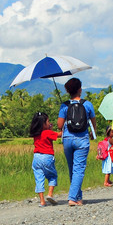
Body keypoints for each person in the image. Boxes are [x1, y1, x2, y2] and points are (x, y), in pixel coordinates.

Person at [57, 77, 97, 206]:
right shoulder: (87, 104)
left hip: (68, 139)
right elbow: (93, 122)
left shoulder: (65, 105)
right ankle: (72, 198)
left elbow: (59, 125)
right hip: (82, 139)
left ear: (68, 91)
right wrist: (93, 132)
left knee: (72, 169)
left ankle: (78, 198)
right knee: (79, 169)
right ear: (80, 89)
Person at [29, 112, 59, 206]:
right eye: (48, 121)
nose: (49, 123)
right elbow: (59, 135)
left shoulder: (35, 134)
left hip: (36, 157)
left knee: (39, 178)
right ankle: (50, 194)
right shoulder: (47, 132)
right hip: (47, 157)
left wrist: (49, 128)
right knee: (52, 176)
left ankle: (42, 201)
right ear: (43, 123)